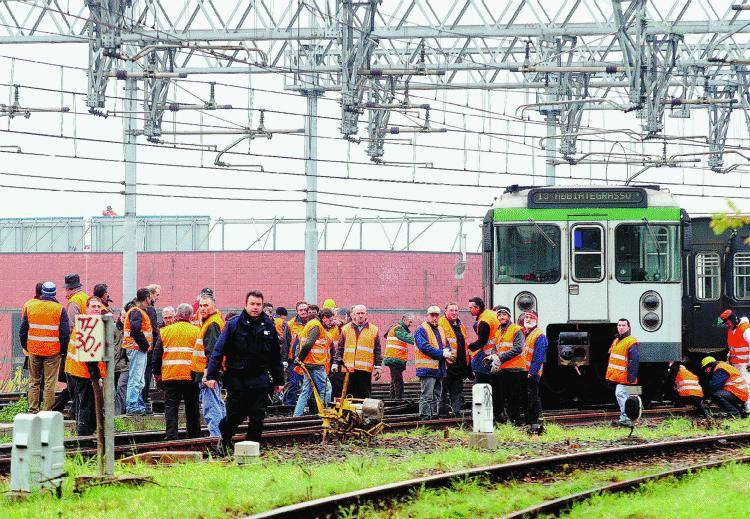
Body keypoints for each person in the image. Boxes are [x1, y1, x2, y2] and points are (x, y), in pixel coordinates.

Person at [206, 290, 283, 455]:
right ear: (246, 305)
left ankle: (250, 449)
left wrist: (278, 381)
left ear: (262, 306)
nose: (255, 308)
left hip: (260, 379)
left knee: (257, 416)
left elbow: (275, 355)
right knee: (235, 415)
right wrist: (211, 375)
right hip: (237, 378)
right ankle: (225, 440)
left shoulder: (268, 325)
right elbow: (218, 350)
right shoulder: (233, 324)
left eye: (258, 304)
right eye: (252, 304)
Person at [20, 282, 70, 413]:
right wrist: (63, 351)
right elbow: (64, 334)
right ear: (54, 293)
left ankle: (33, 410)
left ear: (42, 292)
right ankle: (47, 412)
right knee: (49, 383)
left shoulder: (30, 306)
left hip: (34, 350)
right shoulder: (59, 309)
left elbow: (23, 331)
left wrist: (27, 346)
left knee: (34, 381)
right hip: (53, 352)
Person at [153, 303, 201, 440]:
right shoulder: (197, 331)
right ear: (191, 316)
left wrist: (157, 375)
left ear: (177, 315)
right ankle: (194, 436)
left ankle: (171, 436)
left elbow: (157, 355)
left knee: (171, 407)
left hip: (170, 376)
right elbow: (201, 355)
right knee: (192, 408)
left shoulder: (165, 331)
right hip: (190, 376)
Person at [64, 296, 107, 436]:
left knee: (84, 403)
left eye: (98, 307)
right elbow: (90, 357)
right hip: (81, 372)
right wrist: (96, 376)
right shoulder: (88, 324)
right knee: (85, 404)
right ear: (87, 309)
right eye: (93, 307)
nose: (96, 309)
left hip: (75, 369)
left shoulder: (87, 322)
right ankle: (83, 435)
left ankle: (88, 431)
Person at [191, 293, 226, 437]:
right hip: (210, 371)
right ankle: (223, 434)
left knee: (211, 405)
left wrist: (209, 373)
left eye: (206, 305)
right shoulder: (212, 322)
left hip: (207, 373)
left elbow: (212, 351)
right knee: (217, 403)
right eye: (200, 306)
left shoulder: (212, 324)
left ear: (214, 307)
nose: (202, 308)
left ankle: (216, 437)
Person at [333, 304, 382, 399]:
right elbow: (340, 348)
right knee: (348, 398)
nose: (360, 315)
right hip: (348, 370)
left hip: (365, 371)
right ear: (353, 315)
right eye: (358, 313)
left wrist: (378, 366)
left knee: (364, 397)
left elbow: (377, 350)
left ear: (366, 315)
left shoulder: (373, 330)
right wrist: (335, 363)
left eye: (362, 313)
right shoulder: (345, 329)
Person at [467, 297, 502, 423]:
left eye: (471, 307)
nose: (469, 309)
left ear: (477, 308)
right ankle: (498, 414)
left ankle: (483, 413)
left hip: (488, 356)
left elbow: (482, 341)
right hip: (497, 353)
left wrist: (470, 347)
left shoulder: (484, 321)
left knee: (481, 383)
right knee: (496, 386)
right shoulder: (491, 314)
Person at [293, 307, 333, 416]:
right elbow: (308, 345)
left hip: (308, 363)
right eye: (330, 319)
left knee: (306, 391)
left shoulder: (312, 324)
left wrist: (300, 359)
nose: (331, 322)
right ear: (324, 318)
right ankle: (324, 416)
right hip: (315, 364)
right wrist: (299, 358)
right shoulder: (317, 326)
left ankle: (297, 416)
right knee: (326, 389)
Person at [490, 306, 526, 425]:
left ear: (509, 316)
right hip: (503, 368)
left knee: (514, 398)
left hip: (515, 369)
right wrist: (493, 356)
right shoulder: (498, 331)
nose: (501, 317)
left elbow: (518, 348)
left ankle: (515, 421)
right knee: (504, 397)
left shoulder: (516, 330)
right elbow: (495, 348)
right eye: (499, 315)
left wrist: (499, 357)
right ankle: (507, 420)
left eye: (504, 315)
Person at [414, 306, 452, 420]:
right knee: (427, 395)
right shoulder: (421, 329)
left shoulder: (440, 329)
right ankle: (425, 417)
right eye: (432, 315)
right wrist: (442, 353)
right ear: (427, 316)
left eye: (436, 315)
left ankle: (432, 417)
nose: (434, 318)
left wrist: (447, 351)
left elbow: (447, 344)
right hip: (427, 369)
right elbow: (424, 347)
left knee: (436, 395)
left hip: (438, 369)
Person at [123, 288, 154, 415]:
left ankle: (137, 404)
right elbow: (135, 331)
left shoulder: (136, 311)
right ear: (147, 298)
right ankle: (132, 405)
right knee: (136, 378)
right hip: (137, 348)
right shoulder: (137, 312)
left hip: (136, 348)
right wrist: (145, 346)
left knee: (139, 378)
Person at [605, 318, 639, 427]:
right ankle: (627, 418)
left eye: (623, 325)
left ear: (628, 327)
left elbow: (633, 360)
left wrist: (631, 377)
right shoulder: (616, 341)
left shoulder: (631, 342)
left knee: (620, 394)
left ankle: (627, 419)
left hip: (625, 377)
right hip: (619, 376)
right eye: (619, 325)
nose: (621, 327)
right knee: (627, 396)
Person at [438, 303, 470, 417]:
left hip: (459, 364)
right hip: (446, 364)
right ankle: (442, 414)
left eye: (456, 310)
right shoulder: (441, 323)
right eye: (451, 310)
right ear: (445, 311)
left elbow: (463, 345)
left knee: (456, 391)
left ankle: (456, 414)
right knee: (443, 390)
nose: (454, 312)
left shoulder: (460, 325)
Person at [719, 310, 750, 413]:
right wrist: (728, 360)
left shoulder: (745, 329)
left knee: (746, 385)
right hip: (736, 365)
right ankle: (744, 408)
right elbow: (731, 349)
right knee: (738, 386)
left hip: (745, 365)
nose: (727, 325)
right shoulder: (731, 331)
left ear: (732, 319)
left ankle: (748, 409)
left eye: (727, 323)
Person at [522, 311, 547, 434]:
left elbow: (539, 357)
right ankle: (531, 422)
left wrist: (532, 372)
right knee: (528, 397)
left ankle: (536, 422)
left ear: (536, 320)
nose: (527, 319)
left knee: (533, 397)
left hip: (532, 372)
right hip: (525, 371)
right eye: (526, 317)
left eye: (530, 318)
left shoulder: (539, 335)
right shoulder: (526, 333)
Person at [282, 301, 309, 406]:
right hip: (293, 359)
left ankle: (308, 406)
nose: (303, 312)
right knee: (293, 383)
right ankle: (289, 405)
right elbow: (286, 342)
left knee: (308, 384)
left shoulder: (312, 323)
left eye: (305, 310)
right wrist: (284, 360)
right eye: (301, 310)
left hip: (308, 359)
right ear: (297, 311)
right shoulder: (290, 324)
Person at [383, 314, 415, 400]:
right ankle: (398, 399)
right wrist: (420, 340)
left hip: (394, 358)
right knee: (398, 380)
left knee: (394, 380)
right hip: (395, 358)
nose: (410, 324)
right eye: (410, 322)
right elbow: (408, 338)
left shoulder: (396, 327)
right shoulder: (398, 328)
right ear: (404, 320)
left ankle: (393, 398)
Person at [141, 284, 162, 411]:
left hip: (140, 347)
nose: (158, 298)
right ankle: (143, 401)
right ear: (151, 295)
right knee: (146, 376)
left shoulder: (139, 308)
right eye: (157, 294)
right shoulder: (150, 309)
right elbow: (153, 330)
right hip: (148, 348)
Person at [114, 306, 129, 415]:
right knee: (114, 390)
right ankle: (118, 412)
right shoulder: (114, 329)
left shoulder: (131, 330)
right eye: (123, 317)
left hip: (125, 365)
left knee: (121, 387)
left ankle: (118, 414)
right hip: (114, 365)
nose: (124, 319)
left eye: (126, 317)